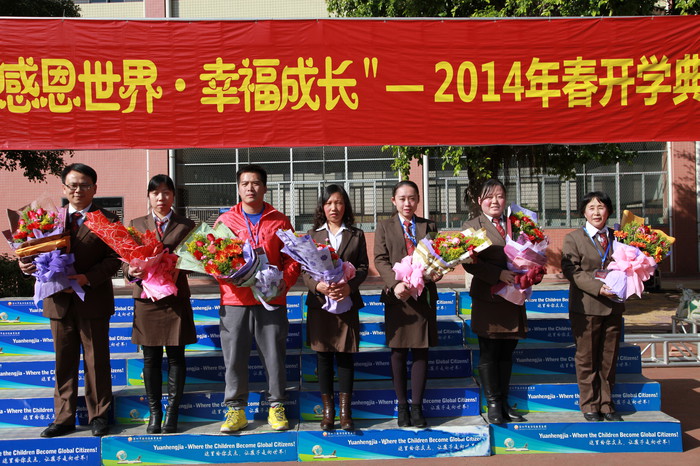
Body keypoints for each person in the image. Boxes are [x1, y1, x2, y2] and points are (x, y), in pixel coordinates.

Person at [19, 163, 121, 437]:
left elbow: (115, 259)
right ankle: (63, 418)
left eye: (84, 185)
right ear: (64, 188)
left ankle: (99, 415)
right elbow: (32, 251)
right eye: (73, 185)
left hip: (93, 299)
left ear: (94, 188)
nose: (78, 190)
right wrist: (26, 265)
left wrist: (87, 278)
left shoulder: (108, 220)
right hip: (58, 302)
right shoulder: (47, 219)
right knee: (63, 362)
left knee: (97, 361)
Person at [215, 164, 301, 432]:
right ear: (238, 188)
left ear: (264, 187)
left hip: (271, 299)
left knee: (274, 356)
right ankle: (235, 410)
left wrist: (284, 282)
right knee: (234, 358)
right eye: (244, 184)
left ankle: (276, 406)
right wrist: (228, 277)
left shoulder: (280, 220)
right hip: (235, 299)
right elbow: (212, 259)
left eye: (255, 183)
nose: (250, 188)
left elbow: (293, 258)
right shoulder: (226, 221)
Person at [125, 174, 197, 434]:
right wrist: (131, 271)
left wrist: (175, 266)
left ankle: (172, 414)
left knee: (177, 357)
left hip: (174, 299)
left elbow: (195, 260)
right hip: (147, 300)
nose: (161, 198)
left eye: (166, 192)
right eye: (156, 193)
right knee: (150, 358)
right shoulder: (135, 225)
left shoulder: (187, 225)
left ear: (173, 196)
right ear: (149, 196)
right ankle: (155, 413)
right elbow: (127, 260)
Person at [374, 180, 441, 428]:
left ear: (418, 200)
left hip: (423, 297)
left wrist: (436, 272)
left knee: (421, 351)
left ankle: (417, 407)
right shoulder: (385, 226)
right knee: (399, 352)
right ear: (394, 201)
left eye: (412, 198)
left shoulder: (428, 226)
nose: (407, 203)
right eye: (402, 199)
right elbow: (380, 259)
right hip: (398, 297)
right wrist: (395, 283)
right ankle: (402, 406)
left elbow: (437, 256)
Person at [303, 184, 368, 431]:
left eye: (339, 202)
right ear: (322, 206)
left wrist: (349, 287)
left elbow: (362, 267)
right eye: (329, 203)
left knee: (345, 355)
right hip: (321, 304)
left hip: (346, 303)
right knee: (323, 357)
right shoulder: (312, 235)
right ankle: (328, 412)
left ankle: (345, 412)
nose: (334, 208)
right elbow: (304, 269)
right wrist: (317, 286)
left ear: (345, 206)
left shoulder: (356, 234)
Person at [462, 179, 527, 424]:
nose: (495, 201)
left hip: (513, 297)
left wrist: (531, 271)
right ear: (480, 201)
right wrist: (497, 274)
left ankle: (504, 401)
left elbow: (532, 252)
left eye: (499, 196)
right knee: (489, 352)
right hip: (489, 297)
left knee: (506, 352)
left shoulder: (518, 225)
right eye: (489, 196)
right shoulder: (472, 226)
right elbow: (468, 262)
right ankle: (493, 404)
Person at [561, 191, 625, 422]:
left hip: (613, 305)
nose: (597, 212)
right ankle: (589, 404)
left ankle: (606, 404)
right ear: (584, 212)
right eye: (591, 208)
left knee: (609, 357)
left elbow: (630, 265)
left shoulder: (620, 237)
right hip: (586, 307)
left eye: (601, 207)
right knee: (587, 357)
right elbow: (571, 270)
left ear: (608, 211)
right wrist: (598, 288)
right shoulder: (573, 238)